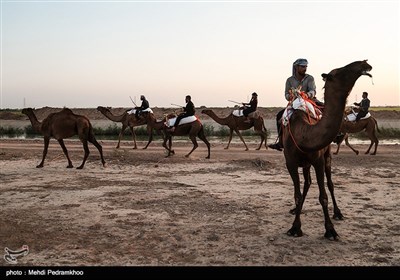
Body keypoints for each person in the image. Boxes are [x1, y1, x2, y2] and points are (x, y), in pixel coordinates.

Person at [268, 58, 317, 151]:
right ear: (296, 67)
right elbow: (286, 94)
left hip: (308, 101)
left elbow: (313, 90)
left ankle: (327, 138)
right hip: (295, 102)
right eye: (302, 66)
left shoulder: (310, 78)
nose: (305, 68)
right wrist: (290, 96)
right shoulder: (289, 80)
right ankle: (281, 141)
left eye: (306, 66)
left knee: (322, 112)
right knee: (280, 115)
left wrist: (307, 94)